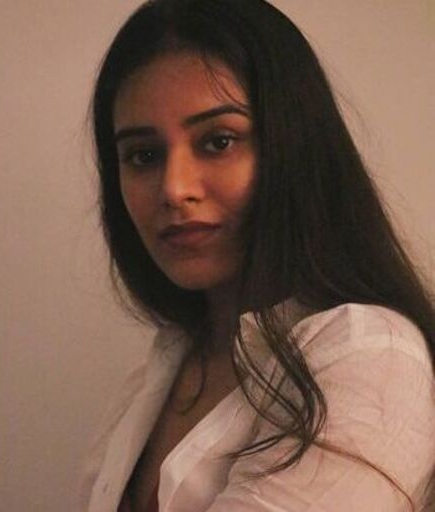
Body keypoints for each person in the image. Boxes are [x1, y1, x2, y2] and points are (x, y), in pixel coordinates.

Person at [79, 0, 435, 510]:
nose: (174, 188)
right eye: (144, 155)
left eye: (218, 142)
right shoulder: (164, 365)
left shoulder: (371, 354)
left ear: (294, 149)